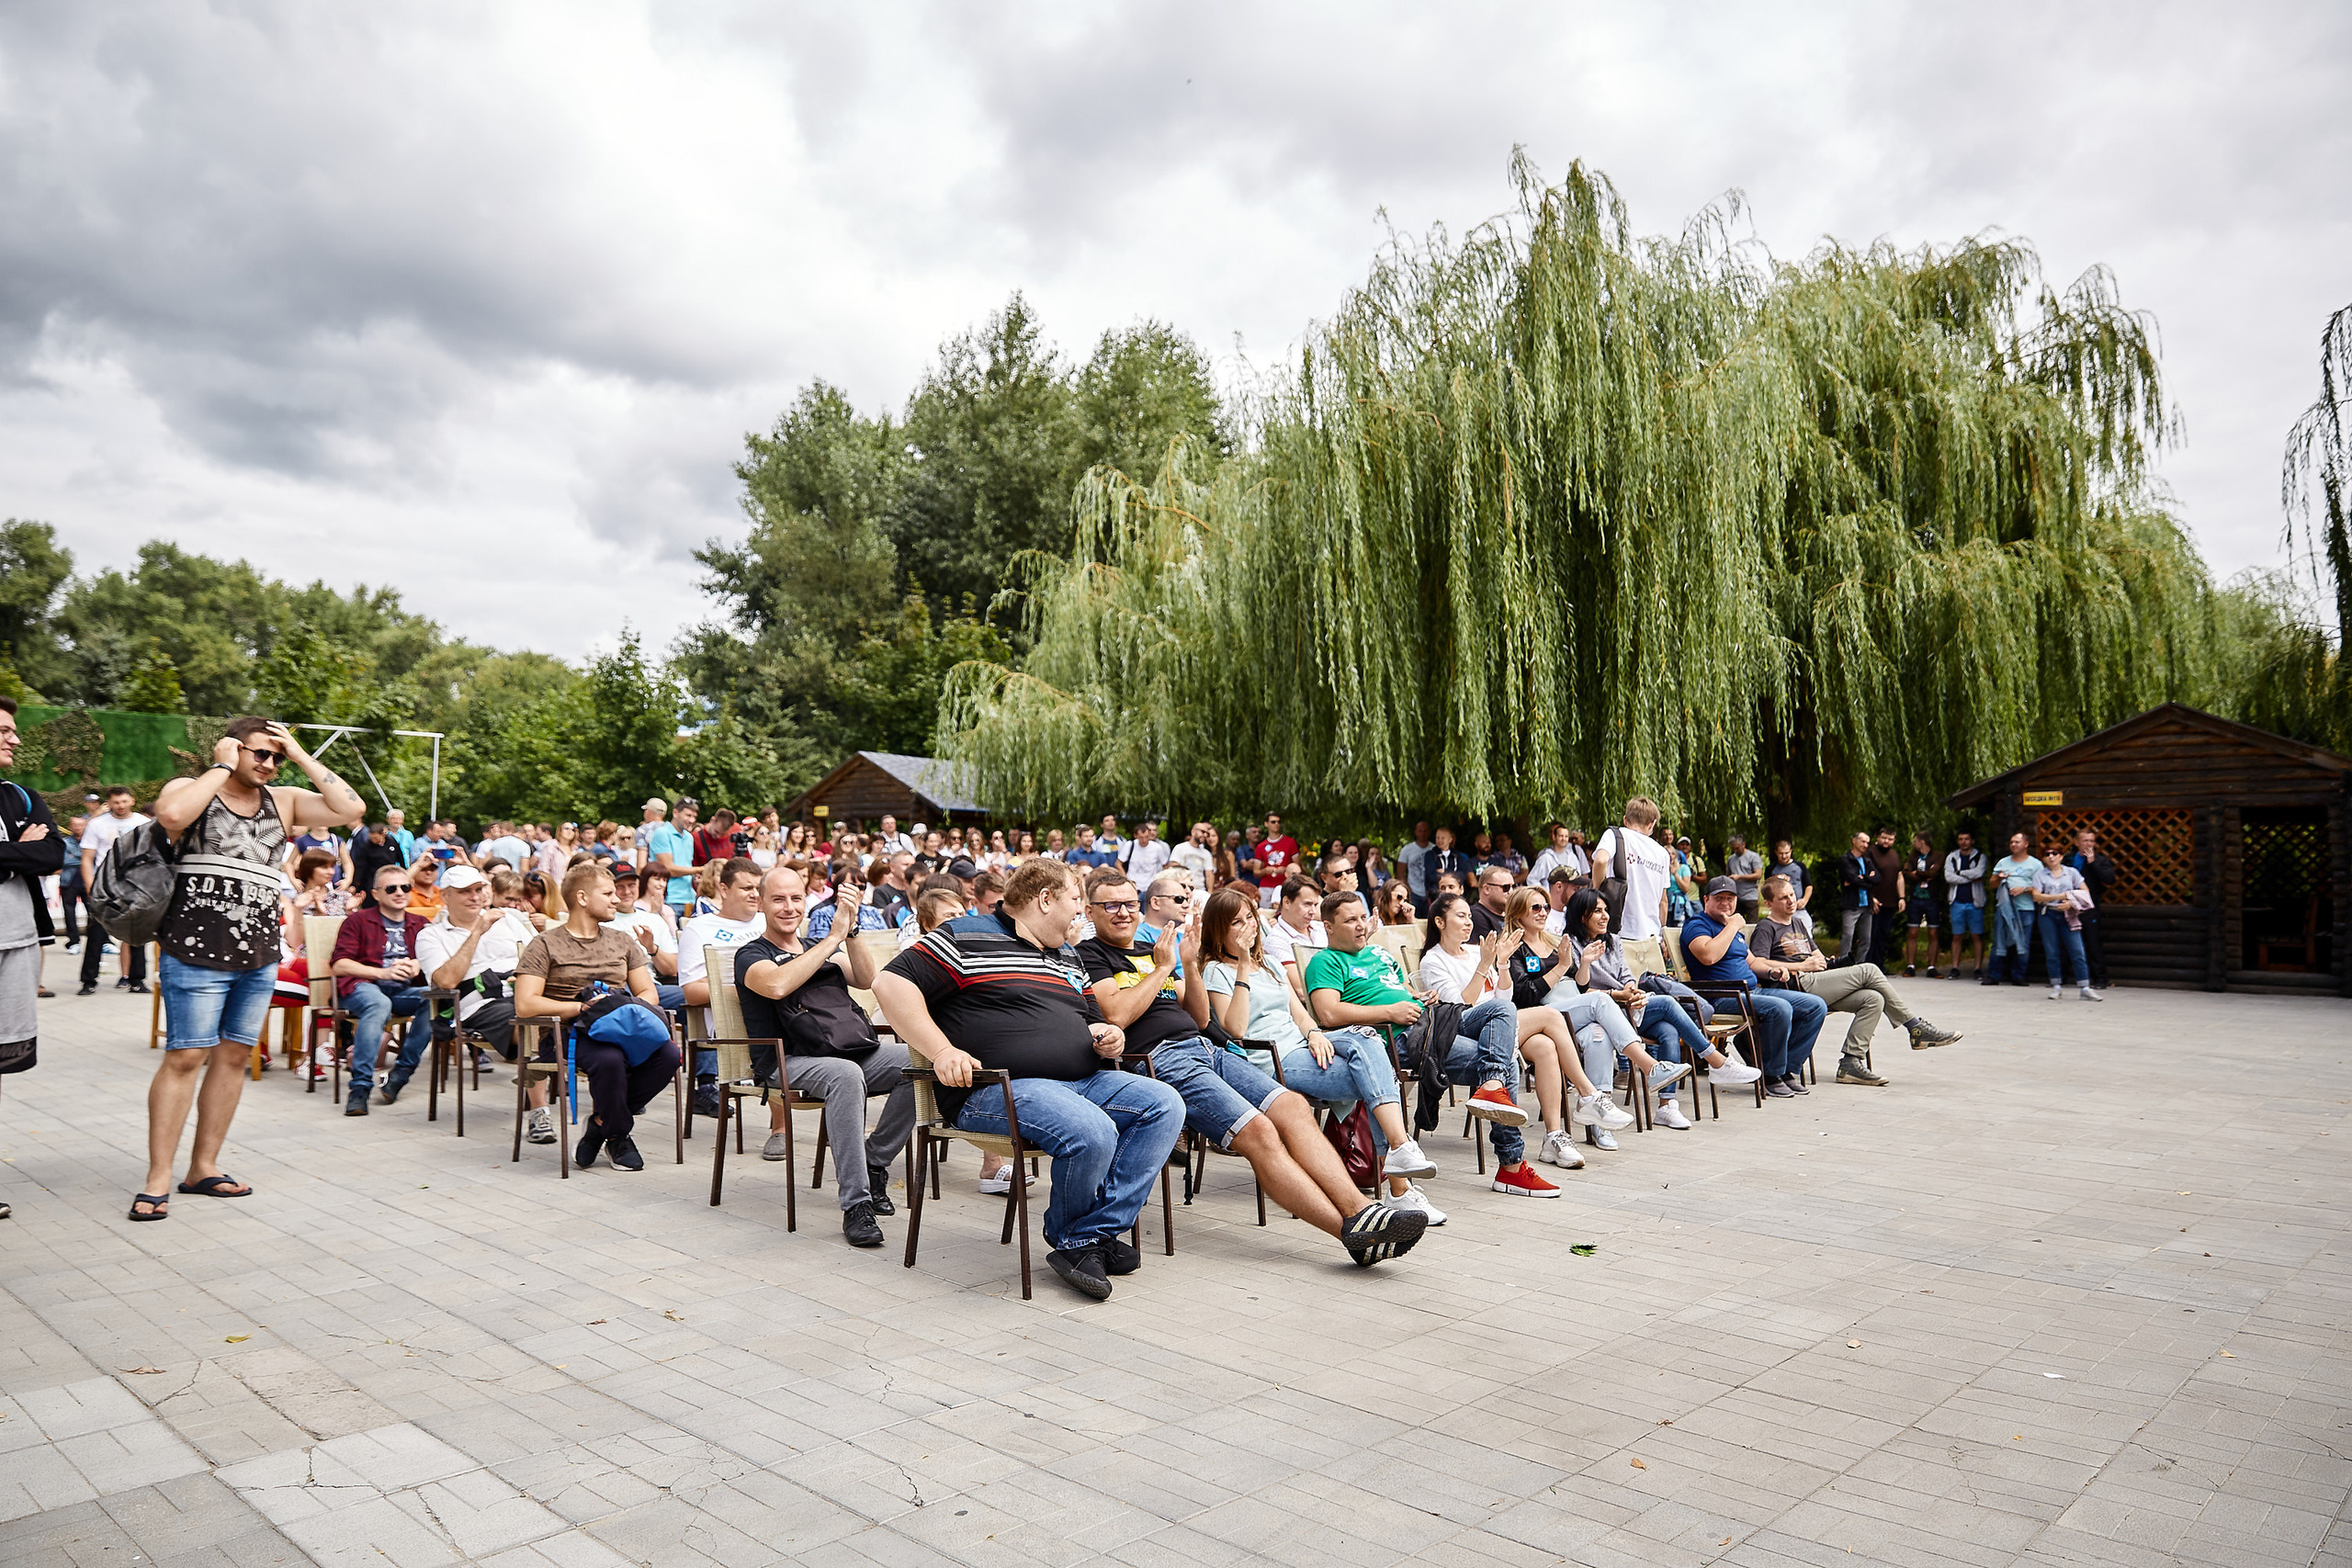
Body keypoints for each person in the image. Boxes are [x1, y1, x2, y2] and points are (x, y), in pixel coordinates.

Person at [874, 858, 1190, 1301]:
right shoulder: (965, 934)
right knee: (1091, 1129)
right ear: (1045, 899)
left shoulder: (1066, 953)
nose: (1080, 912)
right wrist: (942, 1050)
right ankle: (1078, 1243)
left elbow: (1092, 1018)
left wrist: (1107, 1035)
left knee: (1164, 1104)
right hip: (996, 1088)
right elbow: (890, 983)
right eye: (1076, 900)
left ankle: (1091, 1233)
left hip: (1082, 1080)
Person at [1080, 871, 1430, 1265]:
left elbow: (1197, 1017)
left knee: (1294, 1107)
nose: (1124, 912)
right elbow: (1116, 1014)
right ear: (1091, 911)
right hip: (1158, 1059)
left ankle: (1361, 1210)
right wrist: (1164, 969)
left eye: (1130, 903)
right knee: (1259, 1131)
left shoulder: (1152, 948)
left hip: (1204, 1048)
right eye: (1112, 905)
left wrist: (1189, 966)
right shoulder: (1091, 955)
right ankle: (1351, 1230)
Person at [137, 716, 363, 1220]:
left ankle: (203, 1166)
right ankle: (157, 1177)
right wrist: (220, 765)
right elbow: (171, 816)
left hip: (257, 953)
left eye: (275, 756)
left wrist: (301, 754)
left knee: (234, 1057)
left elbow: (351, 808)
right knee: (184, 1058)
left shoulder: (283, 800)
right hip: (193, 948)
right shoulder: (193, 787)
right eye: (258, 752)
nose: (268, 762)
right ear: (232, 748)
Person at [1196, 884, 1442, 1224]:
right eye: (1236, 923)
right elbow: (1235, 1028)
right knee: (1376, 1079)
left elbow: (1299, 1013)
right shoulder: (1216, 970)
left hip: (1303, 1048)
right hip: (1269, 1060)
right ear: (1218, 930)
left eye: (1250, 919)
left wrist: (1313, 1034)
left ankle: (1400, 1158)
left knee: (1368, 1040)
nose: (1248, 928)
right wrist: (1241, 967)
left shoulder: (1268, 963)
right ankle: (1400, 1177)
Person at [1309, 894, 1566, 1197]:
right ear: (1328, 926)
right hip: (1397, 1039)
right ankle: (1511, 1166)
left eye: (1362, 917)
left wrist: (1418, 997)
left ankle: (1492, 1084)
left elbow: (1403, 991)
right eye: (1350, 920)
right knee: (1507, 1061)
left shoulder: (1379, 954)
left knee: (1502, 1009)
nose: (1361, 926)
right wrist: (1389, 1012)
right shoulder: (1325, 961)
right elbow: (1328, 1013)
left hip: (1431, 1022)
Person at [732, 864, 915, 1248]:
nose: (788, 907)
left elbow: (869, 979)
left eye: (796, 898)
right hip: (787, 1060)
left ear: (806, 901)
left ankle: (875, 1161)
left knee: (919, 1061)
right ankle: (856, 1204)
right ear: (761, 903)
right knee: (845, 1076)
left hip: (844, 1049)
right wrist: (831, 937)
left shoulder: (819, 949)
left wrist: (850, 931)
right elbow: (779, 984)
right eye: (778, 899)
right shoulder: (751, 955)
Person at [1424, 889, 1635, 1164]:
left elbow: (1504, 998)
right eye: (1461, 916)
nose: (1468, 922)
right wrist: (1488, 963)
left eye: (1468, 916)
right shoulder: (1434, 960)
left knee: (1546, 1047)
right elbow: (1460, 1008)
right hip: (1466, 1029)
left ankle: (1554, 1136)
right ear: (1440, 922)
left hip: (1502, 1025)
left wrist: (1499, 965)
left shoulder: (1479, 950)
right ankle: (1588, 1095)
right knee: (1550, 1015)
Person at [514, 861, 678, 1172]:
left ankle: (600, 1124)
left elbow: (648, 994)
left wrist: (619, 1008)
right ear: (582, 898)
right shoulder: (545, 944)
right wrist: (582, 1009)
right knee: (610, 1059)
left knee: (669, 1054)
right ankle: (617, 1136)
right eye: (608, 893)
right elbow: (526, 1004)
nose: (617, 899)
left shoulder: (622, 941)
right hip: (567, 1034)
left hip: (622, 1027)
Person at [1553, 887, 1762, 1130]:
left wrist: (1634, 992)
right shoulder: (1570, 946)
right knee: (1666, 1002)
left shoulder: (1613, 941)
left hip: (1629, 1009)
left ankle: (1667, 1106)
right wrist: (1616, 994)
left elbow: (1626, 976)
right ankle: (1715, 1061)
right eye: (1597, 911)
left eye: (1606, 910)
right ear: (1582, 915)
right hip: (1602, 1015)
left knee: (1668, 1030)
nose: (1605, 916)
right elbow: (1578, 993)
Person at [1749, 876, 1960, 1083]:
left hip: (1819, 980)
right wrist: (1801, 966)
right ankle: (1916, 1027)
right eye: (1783, 898)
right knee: (1869, 970)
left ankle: (1851, 1063)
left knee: (1873, 998)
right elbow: (1759, 963)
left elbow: (1817, 955)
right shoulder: (1766, 928)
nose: (1791, 901)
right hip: (1797, 985)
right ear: (1769, 903)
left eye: (1792, 895)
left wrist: (1822, 961)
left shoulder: (1798, 923)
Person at [417, 865, 550, 1141]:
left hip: (523, 990)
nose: (475, 897)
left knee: (580, 1011)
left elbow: (542, 956)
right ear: (445, 896)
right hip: (479, 1004)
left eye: (479, 889)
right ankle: (539, 1112)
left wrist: (527, 976)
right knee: (531, 1020)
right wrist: (477, 932)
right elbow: (446, 981)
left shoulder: (509, 920)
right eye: (465, 891)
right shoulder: (431, 935)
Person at [1679, 875, 1829, 1100]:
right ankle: (1770, 1076)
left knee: (1815, 1006)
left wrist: (1771, 971)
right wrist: (1732, 926)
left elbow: (1752, 962)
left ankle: (1787, 1069)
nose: (1726, 904)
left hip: (1751, 992)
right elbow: (1708, 956)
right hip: (1720, 997)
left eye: (1730, 899)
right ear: (1705, 900)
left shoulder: (1732, 929)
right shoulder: (1697, 925)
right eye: (1719, 898)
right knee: (1780, 1008)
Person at [0, 698, 64, 1189]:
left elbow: (50, 855)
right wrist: (18, 851)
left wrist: (24, 852)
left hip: (15, 942)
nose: (15, 739)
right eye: (4, 730)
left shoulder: (20, 795)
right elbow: (32, 853)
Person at [330, 863, 434, 1111]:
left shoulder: (421, 923)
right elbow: (340, 964)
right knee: (379, 1004)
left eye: (405, 887)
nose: (399, 892)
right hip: (362, 987)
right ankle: (360, 1088)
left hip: (404, 990)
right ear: (376, 894)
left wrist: (420, 963)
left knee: (437, 999)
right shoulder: (358, 921)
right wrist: (382, 972)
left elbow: (439, 958)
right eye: (391, 888)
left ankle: (400, 1074)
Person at [678, 857, 765, 1114]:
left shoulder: (768, 921)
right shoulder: (700, 928)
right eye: (746, 888)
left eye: (758, 888)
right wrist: (753, 991)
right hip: (732, 1019)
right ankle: (781, 1129)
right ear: (724, 889)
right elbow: (692, 991)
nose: (755, 894)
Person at [77, 784, 152, 996]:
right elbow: (87, 859)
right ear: (108, 803)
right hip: (105, 887)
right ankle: (88, 981)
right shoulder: (97, 824)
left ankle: (137, 980)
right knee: (96, 936)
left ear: (132, 801)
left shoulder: (144, 823)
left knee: (136, 936)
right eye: (116, 802)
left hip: (135, 887)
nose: (120, 806)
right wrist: (91, 888)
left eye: (124, 801)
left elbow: (153, 857)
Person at [1589, 799, 1672, 977]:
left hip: (1619, 932)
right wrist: (1662, 934)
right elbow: (1663, 901)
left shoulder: (1616, 835)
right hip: (1651, 937)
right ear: (1652, 824)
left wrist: (1595, 892)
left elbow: (1601, 860)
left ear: (1625, 820)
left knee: (1624, 993)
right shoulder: (1662, 853)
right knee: (1652, 993)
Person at [2030, 844, 2099, 1001]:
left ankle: (2084, 987)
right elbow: (2037, 896)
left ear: (2061, 856)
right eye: (2047, 854)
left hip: (2069, 913)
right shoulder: (2040, 875)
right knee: (2052, 951)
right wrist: (2062, 895)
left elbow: (2085, 891)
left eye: (2055, 853)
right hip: (2048, 914)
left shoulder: (2072, 873)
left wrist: (2070, 902)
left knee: (2077, 950)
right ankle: (2056, 985)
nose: (2051, 856)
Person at [1260, 876, 1327, 1006]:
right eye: (1307, 904)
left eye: (1315, 905)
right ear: (1286, 902)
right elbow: (1301, 990)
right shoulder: (1276, 940)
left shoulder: (1321, 927)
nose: (1313, 911)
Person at [2067, 829, 2117, 992]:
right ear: (2076, 842)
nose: (2089, 844)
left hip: (2089, 908)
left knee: (2093, 942)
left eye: (2091, 841)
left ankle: (2100, 978)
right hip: (2069, 906)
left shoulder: (2100, 860)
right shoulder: (2068, 860)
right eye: (2085, 840)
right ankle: (2067, 977)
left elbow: (2109, 879)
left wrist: (2093, 862)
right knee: (2068, 941)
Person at [1987, 831, 2040, 987]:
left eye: (2017, 842)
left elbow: (2041, 888)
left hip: (2025, 908)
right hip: (2004, 908)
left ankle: (2018, 975)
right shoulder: (2003, 862)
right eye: (2011, 842)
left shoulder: (2035, 864)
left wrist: (2023, 889)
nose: (2013, 845)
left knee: (2022, 942)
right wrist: (1999, 878)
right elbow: (1991, 884)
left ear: (2026, 844)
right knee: (1998, 941)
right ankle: (1993, 975)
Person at [645, 797, 699, 925]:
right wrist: (700, 869)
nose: (692, 820)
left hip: (689, 899)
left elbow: (686, 866)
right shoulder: (662, 833)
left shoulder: (689, 837)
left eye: (694, 816)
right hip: (669, 898)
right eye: (688, 815)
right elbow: (668, 869)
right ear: (675, 813)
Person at [1943, 829, 1987, 978]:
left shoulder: (1980, 856)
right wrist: (1969, 876)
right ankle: (1955, 967)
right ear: (1958, 841)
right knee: (1957, 936)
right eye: (1961, 839)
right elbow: (1949, 877)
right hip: (1957, 902)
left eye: (1967, 839)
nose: (1964, 842)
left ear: (1972, 841)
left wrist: (1960, 872)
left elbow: (1979, 873)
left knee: (1976, 936)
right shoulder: (1952, 857)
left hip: (1975, 902)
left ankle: (1977, 968)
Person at [1833, 830, 1877, 967]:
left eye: (1867, 843)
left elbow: (1877, 878)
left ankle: (1860, 965)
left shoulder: (1867, 860)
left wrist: (1863, 879)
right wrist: (1863, 879)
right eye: (1863, 841)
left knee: (1866, 938)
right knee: (1848, 936)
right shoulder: (1845, 859)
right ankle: (1843, 965)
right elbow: (1852, 877)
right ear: (1854, 841)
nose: (1865, 845)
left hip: (1866, 904)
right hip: (1851, 904)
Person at [1902, 832, 1941, 976]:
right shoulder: (1912, 856)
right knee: (1912, 932)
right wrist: (1923, 874)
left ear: (1923, 842)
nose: (1914, 843)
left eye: (1915, 841)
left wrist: (1916, 874)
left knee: (1933, 932)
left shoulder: (1937, 856)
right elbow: (1906, 871)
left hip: (1931, 898)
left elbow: (1934, 873)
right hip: (1915, 898)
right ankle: (1910, 965)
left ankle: (1931, 967)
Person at [1865, 825, 1905, 970]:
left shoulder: (1894, 854)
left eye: (1890, 839)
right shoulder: (1870, 852)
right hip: (1874, 901)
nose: (1887, 841)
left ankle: (1880, 966)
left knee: (1884, 935)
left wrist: (1902, 897)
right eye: (1884, 838)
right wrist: (1871, 897)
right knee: (1871, 935)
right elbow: (1865, 876)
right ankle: (1869, 966)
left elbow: (1899, 876)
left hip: (1890, 901)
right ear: (1878, 837)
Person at [1766, 839, 1812, 935]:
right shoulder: (1771, 869)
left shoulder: (1799, 866)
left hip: (1798, 908)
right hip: (1779, 909)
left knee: (1806, 934)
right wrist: (1776, 878)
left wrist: (1804, 900)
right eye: (1781, 853)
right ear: (1776, 853)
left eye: (1786, 853)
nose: (1784, 856)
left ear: (1791, 851)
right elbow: (1766, 888)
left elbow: (1809, 886)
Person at [55, 812, 87, 953]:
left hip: (88, 882)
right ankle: (74, 941)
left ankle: (103, 941)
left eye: (80, 825)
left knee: (95, 913)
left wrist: (75, 856)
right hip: (69, 882)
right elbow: (63, 861)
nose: (78, 827)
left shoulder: (91, 841)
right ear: (70, 827)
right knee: (69, 913)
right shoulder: (65, 842)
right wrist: (85, 858)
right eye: (75, 825)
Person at [1254, 812, 1300, 906]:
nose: (1277, 824)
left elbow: (1298, 866)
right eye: (1273, 822)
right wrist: (1265, 870)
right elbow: (1256, 872)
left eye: (1278, 822)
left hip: (1285, 885)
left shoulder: (1290, 842)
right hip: (1266, 886)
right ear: (1266, 824)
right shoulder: (1260, 846)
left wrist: (1286, 869)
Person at [1396, 820, 1435, 916]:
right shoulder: (1407, 850)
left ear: (1429, 832)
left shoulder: (1434, 849)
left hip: (1430, 893)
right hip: (1413, 893)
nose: (1422, 833)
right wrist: (1408, 890)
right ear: (1416, 832)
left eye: (1425, 831)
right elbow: (1400, 873)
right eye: (1420, 831)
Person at [1468, 864, 1514, 941]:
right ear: (1486, 889)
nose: (1511, 892)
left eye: (1513, 886)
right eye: (1506, 887)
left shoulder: (1511, 915)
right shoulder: (1476, 916)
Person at [1724, 835, 1764, 921]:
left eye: (1737, 848)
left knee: (1752, 923)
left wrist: (1740, 877)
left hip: (1750, 896)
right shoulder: (1731, 859)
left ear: (1743, 845)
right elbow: (1728, 875)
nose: (1735, 851)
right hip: (1736, 896)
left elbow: (1758, 875)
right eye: (1733, 849)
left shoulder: (1753, 856)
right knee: (1735, 923)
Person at [1529, 823, 1580, 891]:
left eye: (1566, 836)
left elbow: (1578, 878)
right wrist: (1544, 893)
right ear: (1554, 837)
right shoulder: (1545, 858)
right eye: (1561, 836)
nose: (1563, 839)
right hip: (1551, 899)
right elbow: (1531, 879)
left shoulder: (1573, 857)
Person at [1168, 821, 1216, 892]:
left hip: (1200, 890)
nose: (1205, 835)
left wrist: (1209, 893)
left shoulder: (1206, 854)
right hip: (1182, 890)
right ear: (1193, 832)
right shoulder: (1180, 848)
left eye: (1207, 834)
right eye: (1202, 832)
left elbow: (1209, 875)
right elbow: (1173, 867)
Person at [1125, 820, 1171, 889]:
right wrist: (1127, 880)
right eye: (1141, 837)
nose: (1144, 840)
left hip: (1150, 884)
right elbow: (1118, 863)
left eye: (1154, 830)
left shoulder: (1161, 846)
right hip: (1133, 885)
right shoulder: (1130, 845)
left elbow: (1166, 865)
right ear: (1136, 836)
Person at [405, 855, 445, 921]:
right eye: (423, 869)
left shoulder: (443, 894)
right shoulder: (406, 894)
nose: (429, 872)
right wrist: (418, 865)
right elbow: (396, 885)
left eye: (432, 870)